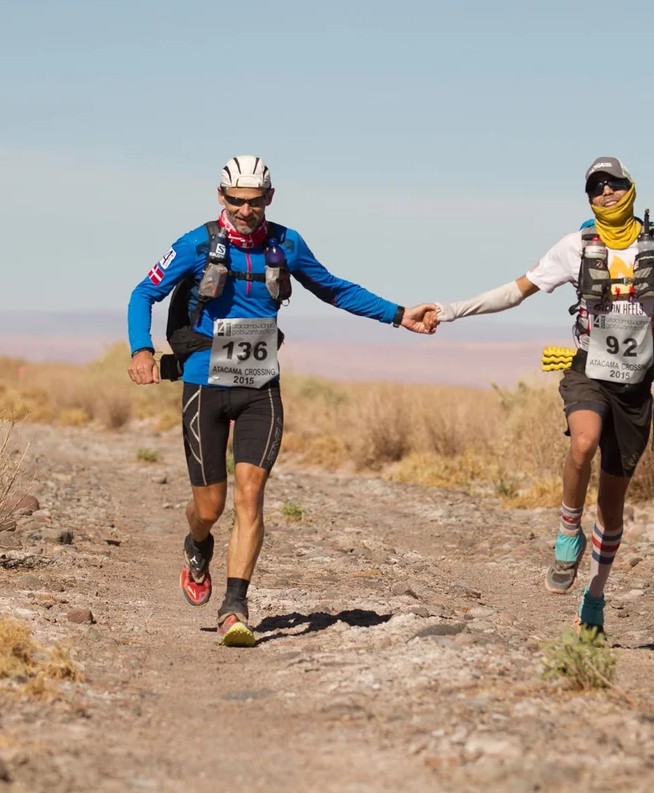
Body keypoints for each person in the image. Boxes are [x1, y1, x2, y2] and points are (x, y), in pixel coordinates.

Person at [127, 155, 437, 647]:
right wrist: (141, 349)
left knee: (251, 495)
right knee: (210, 506)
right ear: (220, 196)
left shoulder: (287, 244)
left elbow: (335, 289)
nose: (246, 210)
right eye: (236, 201)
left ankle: (235, 606)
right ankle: (198, 542)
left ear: (269, 197)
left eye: (254, 201)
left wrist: (400, 314)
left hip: (259, 385)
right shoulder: (196, 243)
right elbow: (143, 292)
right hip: (205, 384)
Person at [428, 157, 654, 637]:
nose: (606, 193)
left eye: (614, 184)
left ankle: (594, 597)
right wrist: (449, 311)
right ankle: (568, 527)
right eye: (596, 188)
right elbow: (516, 291)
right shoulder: (574, 247)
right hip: (588, 369)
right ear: (589, 199)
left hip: (637, 383)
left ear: (630, 187)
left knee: (613, 505)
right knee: (582, 443)